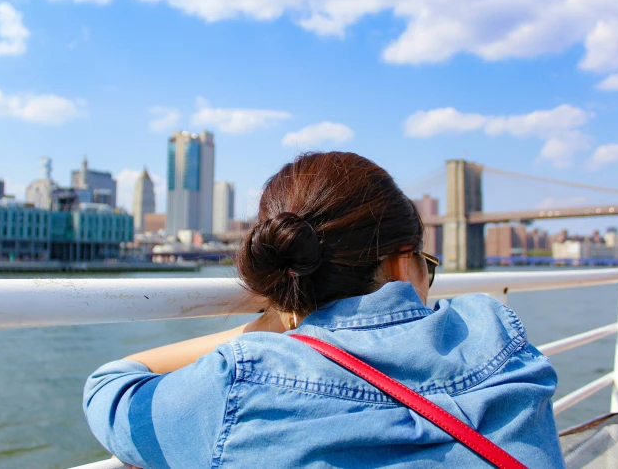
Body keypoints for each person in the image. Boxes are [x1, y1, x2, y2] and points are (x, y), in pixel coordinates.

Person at [84, 152, 565, 468]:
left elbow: (109, 389)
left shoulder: (243, 383)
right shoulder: (496, 331)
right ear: (402, 264)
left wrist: (263, 332)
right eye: (427, 265)